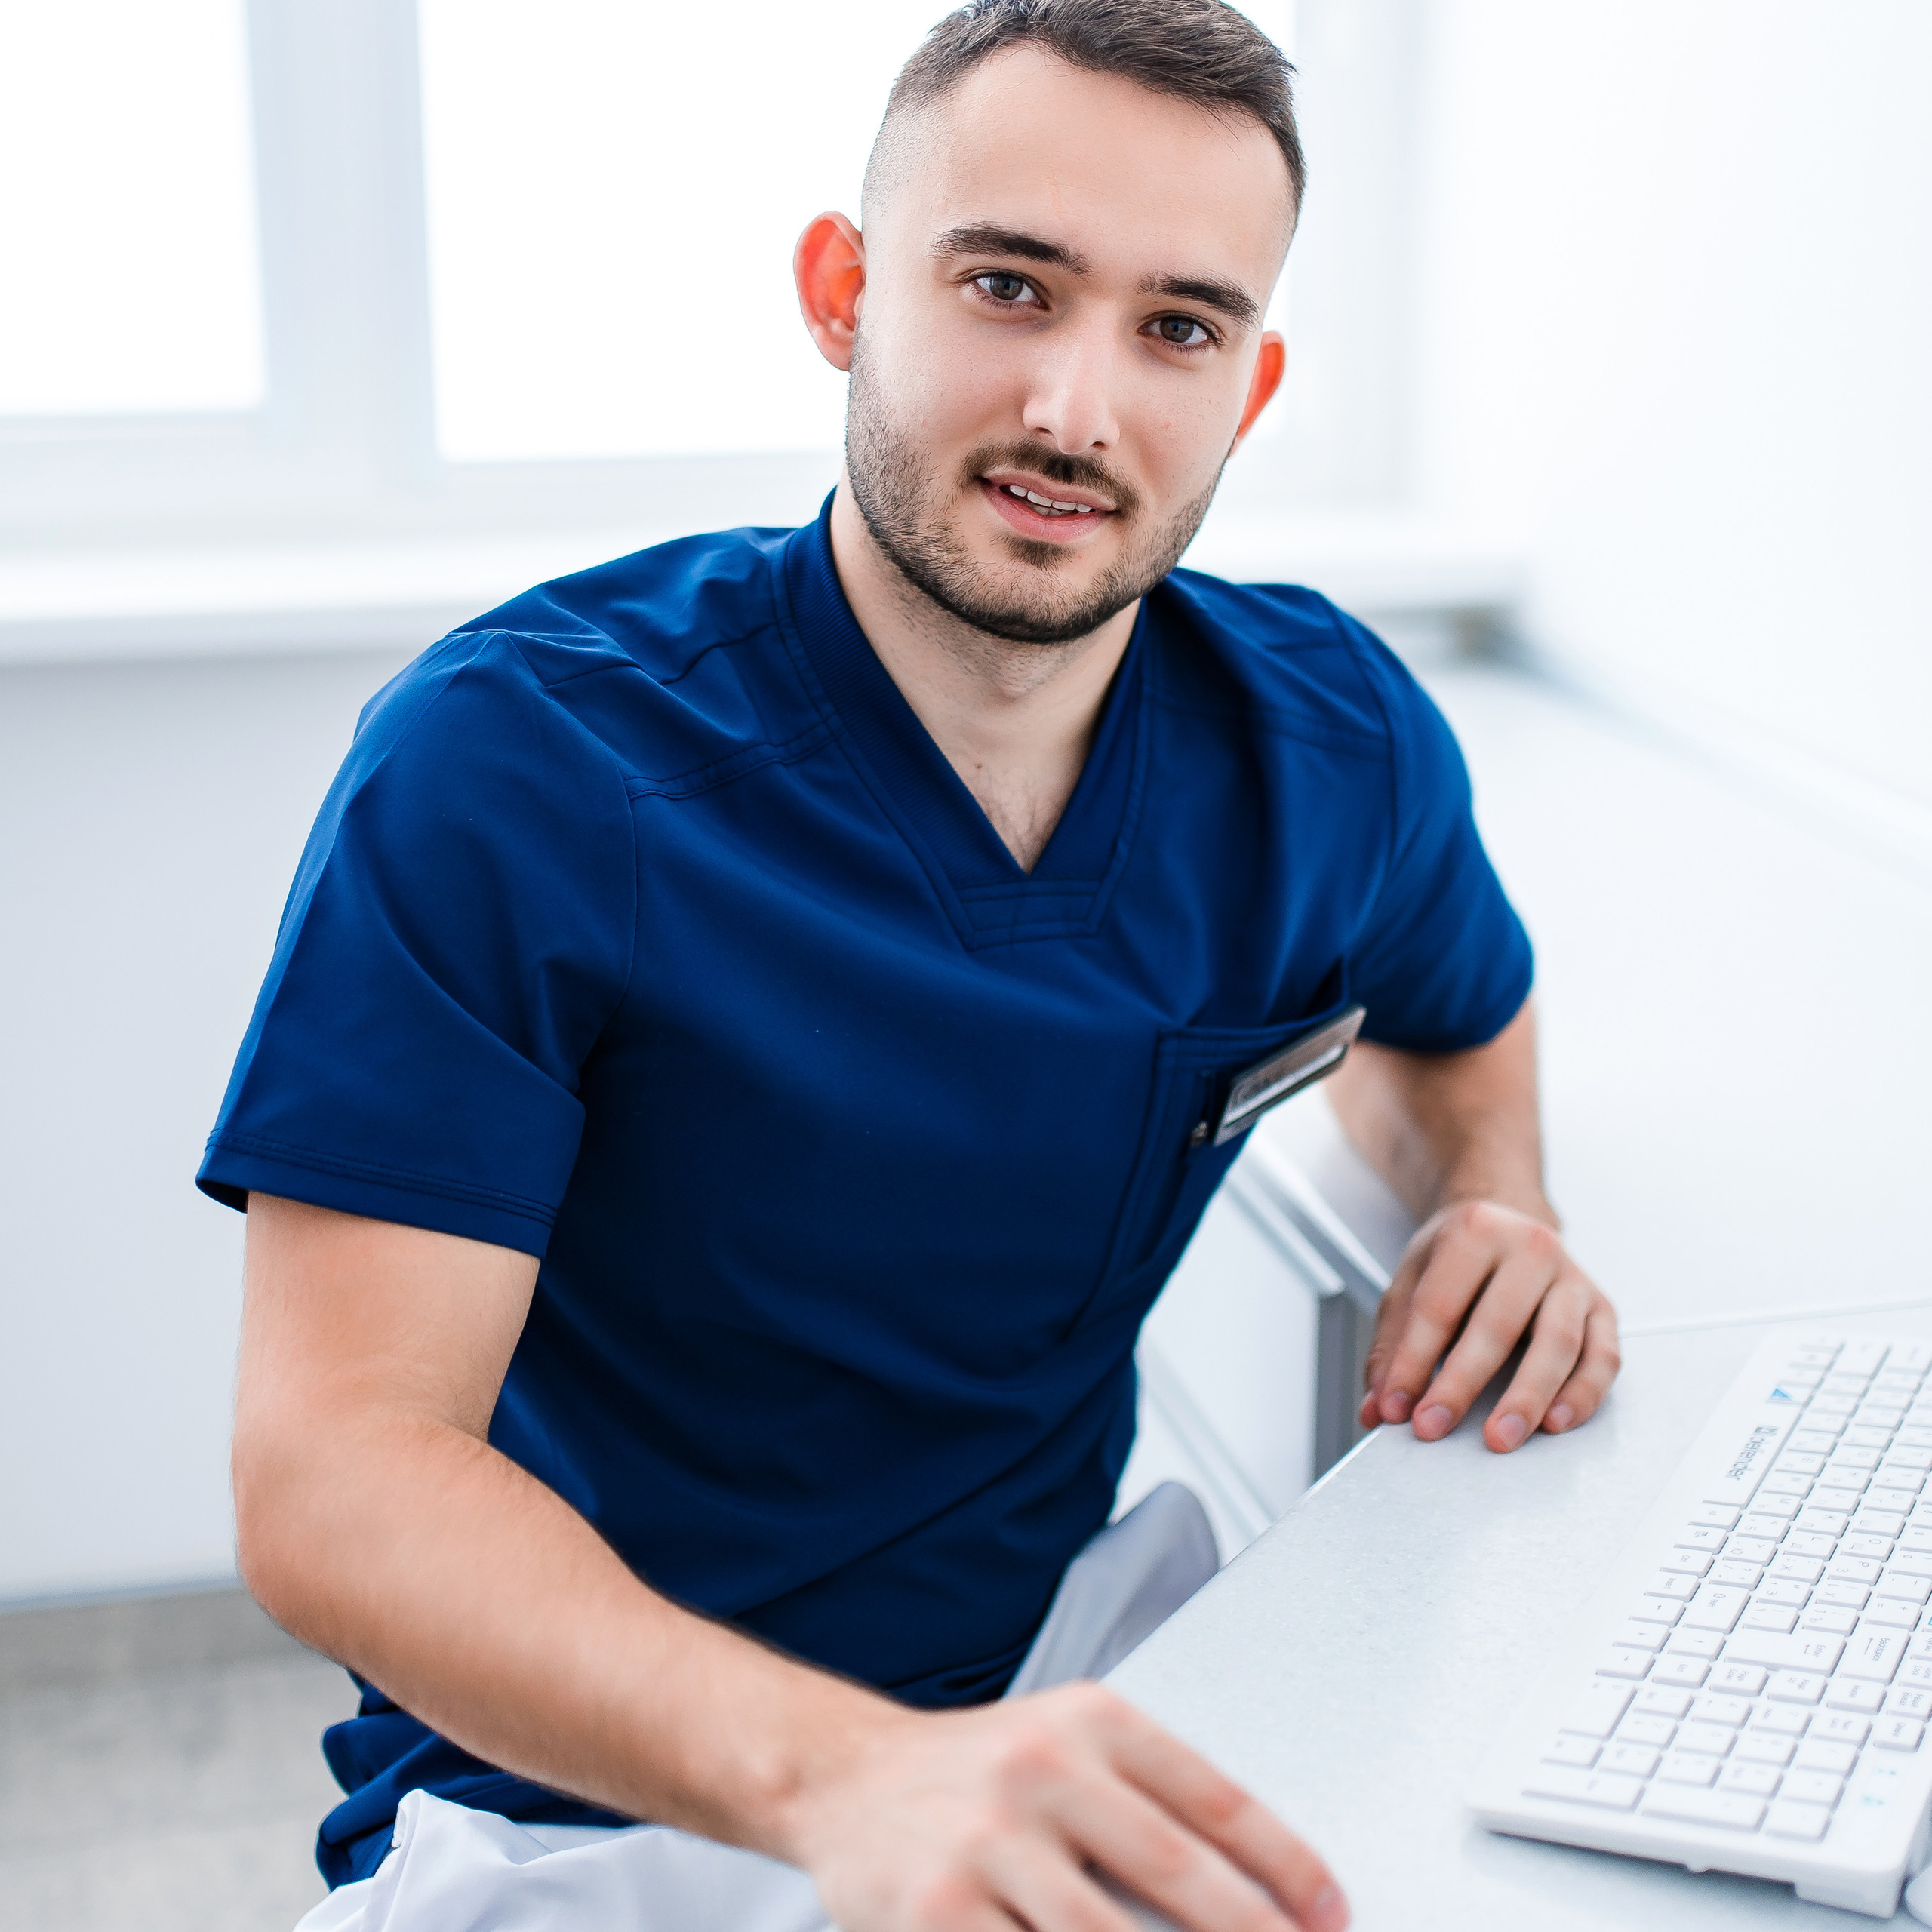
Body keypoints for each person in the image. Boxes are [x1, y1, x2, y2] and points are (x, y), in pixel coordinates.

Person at [202, 2, 1620, 1927]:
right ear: (842, 292)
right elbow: (335, 1469)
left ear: (1250, 387)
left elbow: (1454, 1020)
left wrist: (1492, 1194)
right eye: (1008, 287)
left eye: (1176, 328)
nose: (1075, 410)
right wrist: (850, 1775)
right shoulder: (517, 767)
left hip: (1060, 1687)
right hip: (580, 1798)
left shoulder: (1328, 741)